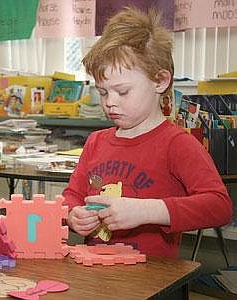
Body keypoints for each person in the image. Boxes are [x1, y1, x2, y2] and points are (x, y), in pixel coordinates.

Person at [62, 7, 233, 258]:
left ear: (160, 81)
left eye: (122, 91)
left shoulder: (176, 144)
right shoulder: (96, 142)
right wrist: (72, 214)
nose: (110, 102)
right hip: (96, 275)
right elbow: (72, 196)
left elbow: (220, 206)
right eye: (103, 92)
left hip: (151, 280)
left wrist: (148, 211)